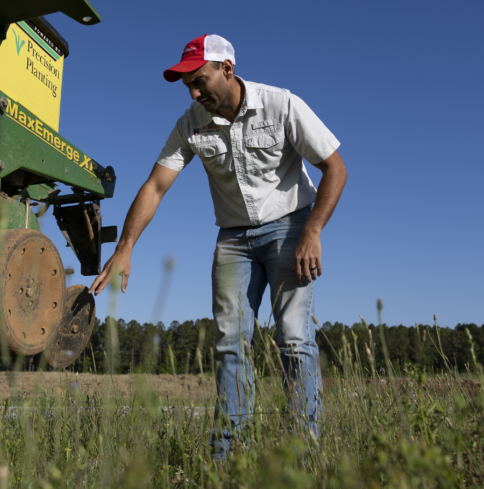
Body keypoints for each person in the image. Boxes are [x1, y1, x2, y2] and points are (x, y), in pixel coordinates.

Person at [88, 34, 347, 457]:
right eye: (187, 84)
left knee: (295, 340)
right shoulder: (191, 122)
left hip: (289, 229)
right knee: (230, 343)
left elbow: (335, 167)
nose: (193, 92)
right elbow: (155, 186)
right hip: (233, 240)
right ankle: (228, 456)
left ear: (226, 69)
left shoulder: (281, 104)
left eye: (199, 80)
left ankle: (302, 453)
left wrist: (313, 231)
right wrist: (125, 248)